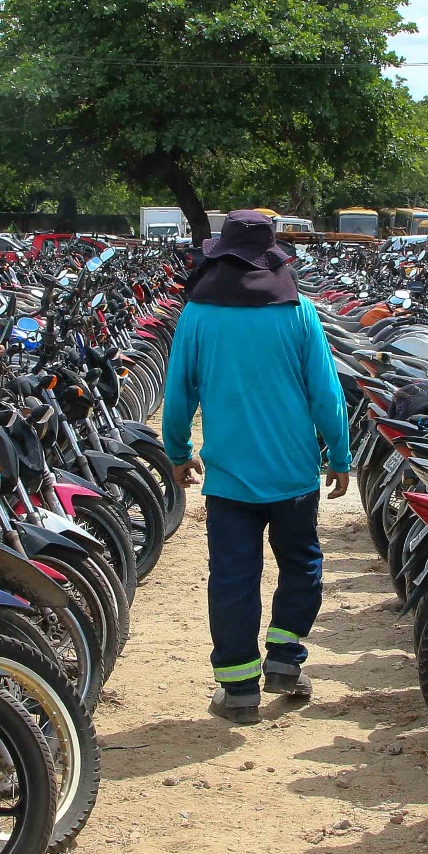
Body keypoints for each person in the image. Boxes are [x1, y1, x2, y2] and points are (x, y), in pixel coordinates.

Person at [162, 210, 352, 723]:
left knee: (232, 578)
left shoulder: (197, 314)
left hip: (229, 479)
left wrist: (177, 452)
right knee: (302, 564)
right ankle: (286, 661)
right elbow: (326, 393)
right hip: (294, 473)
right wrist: (339, 454)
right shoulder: (299, 312)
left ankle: (240, 687)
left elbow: (177, 394)